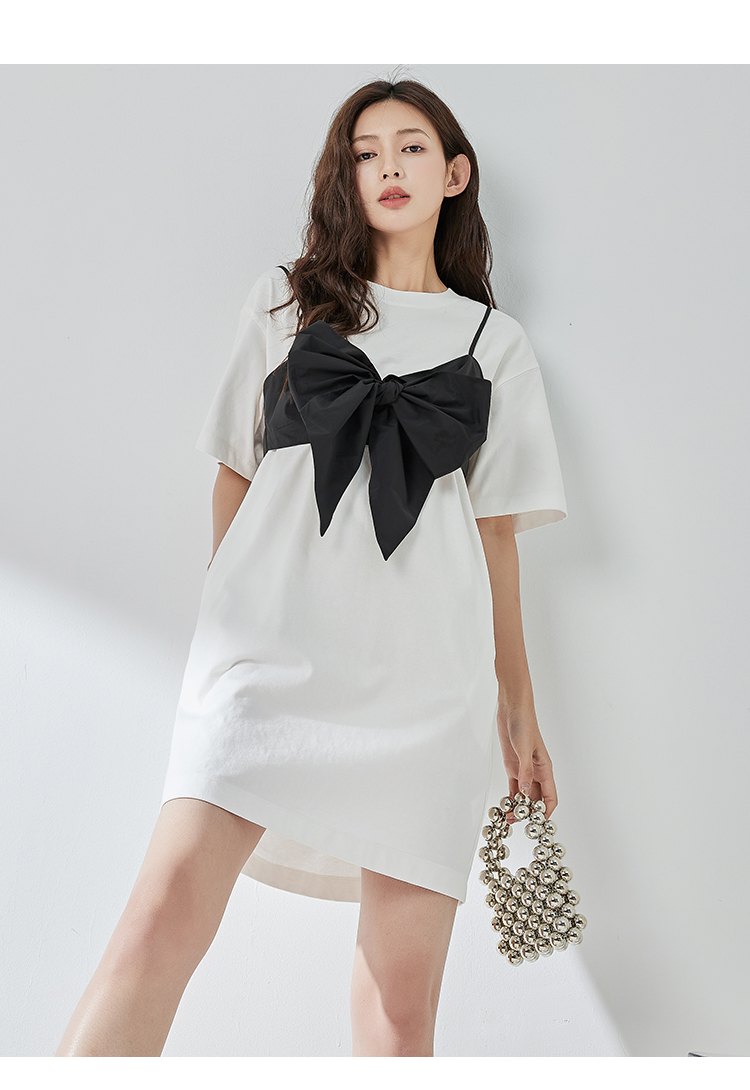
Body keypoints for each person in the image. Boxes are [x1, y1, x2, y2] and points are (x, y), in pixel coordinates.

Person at [56, 77, 567, 1058]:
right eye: (365, 153)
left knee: (400, 1007)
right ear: (346, 177)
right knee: (154, 931)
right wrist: (232, 615)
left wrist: (519, 712)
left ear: (455, 174)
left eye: (411, 147)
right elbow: (233, 472)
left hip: (425, 689)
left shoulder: (492, 344)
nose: (388, 167)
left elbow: (495, 534)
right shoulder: (284, 300)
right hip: (267, 660)